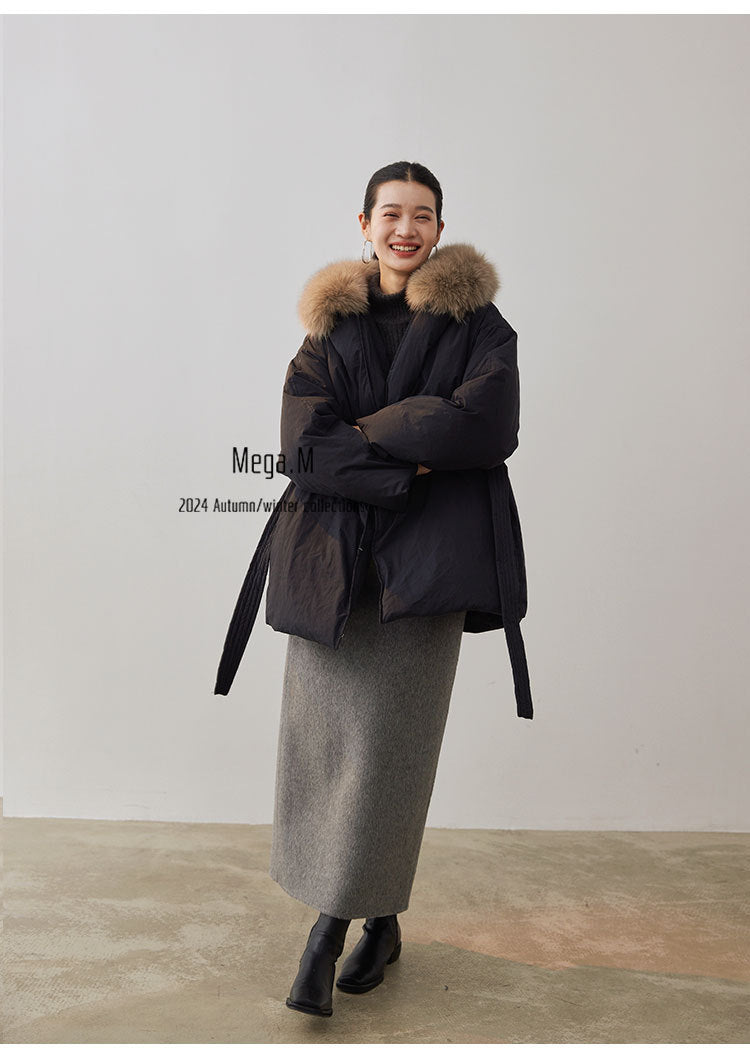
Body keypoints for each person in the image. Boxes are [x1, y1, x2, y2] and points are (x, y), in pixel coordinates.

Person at [213, 160, 533, 1017]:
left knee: (391, 758)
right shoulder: (331, 325)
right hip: (331, 565)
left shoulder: (480, 324)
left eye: (422, 215)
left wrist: (364, 437)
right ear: (363, 224)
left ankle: (328, 930)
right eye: (391, 213)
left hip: (427, 571)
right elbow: (303, 444)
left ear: (440, 229)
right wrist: (409, 460)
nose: (405, 228)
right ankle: (380, 922)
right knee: (326, 753)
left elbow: (488, 424)